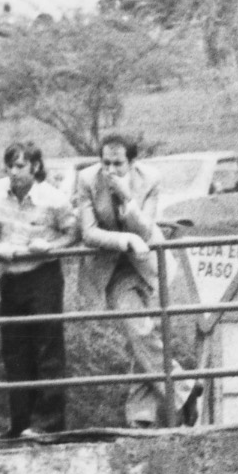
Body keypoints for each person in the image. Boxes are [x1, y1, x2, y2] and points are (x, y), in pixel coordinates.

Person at [73, 135, 188, 428]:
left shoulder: (150, 179)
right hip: (111, 267)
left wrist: (127, 198)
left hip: (148, 264)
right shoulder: (87, 180)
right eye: (105, 162)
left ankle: (141, 416)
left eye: (118, 163)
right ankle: (183, 390)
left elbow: (147, 230)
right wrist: (125, 239)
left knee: (144, 333)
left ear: (132, 162)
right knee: (139, 329)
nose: (110, 169)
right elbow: (88, 232)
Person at [0, 142, 73, 438]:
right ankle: (19, 421)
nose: (14, 172)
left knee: (47, 348)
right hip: (11, 277)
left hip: (43, 275)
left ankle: (47, 423)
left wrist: (51, 247)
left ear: (35, 166)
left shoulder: (54, 199)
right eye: (10, 165)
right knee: (14, 349)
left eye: (20, 166)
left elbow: (73, 232)